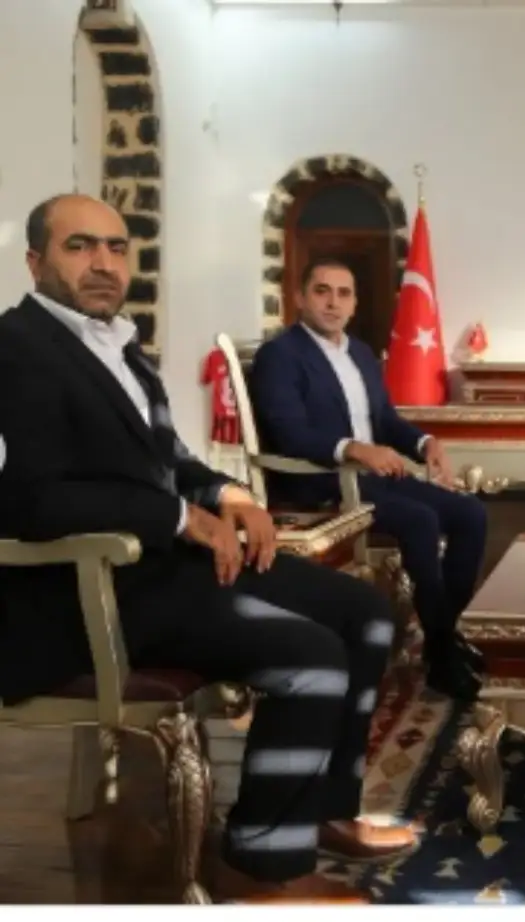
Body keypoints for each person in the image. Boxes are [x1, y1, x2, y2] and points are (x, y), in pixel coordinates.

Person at [0, 194, 420, 903]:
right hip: (88, 590)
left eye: (116, 247)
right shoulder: (16, 349)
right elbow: (28, 500)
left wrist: (230, 496)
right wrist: (177, 515)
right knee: (311, 656)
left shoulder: (119, 347)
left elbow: (168, 459)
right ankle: (263, 865)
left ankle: (324, 810)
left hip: (163, 570)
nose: (103, 262)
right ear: (35, 262)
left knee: (365, 613)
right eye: (80, 246)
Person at [249, 258, 487, 702]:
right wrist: (355, 448)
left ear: (354, 303)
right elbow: (289, 432)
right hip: (321, 480)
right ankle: (442, 653)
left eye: (343, 293)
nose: (332, 302)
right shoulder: (280, 355)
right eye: (322, 291)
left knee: (471, 513)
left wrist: (425, 443)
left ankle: (444, 632)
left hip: (373, 477)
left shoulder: (360, 353)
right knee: (420, 520)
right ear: (299, 298)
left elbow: (385, 420)